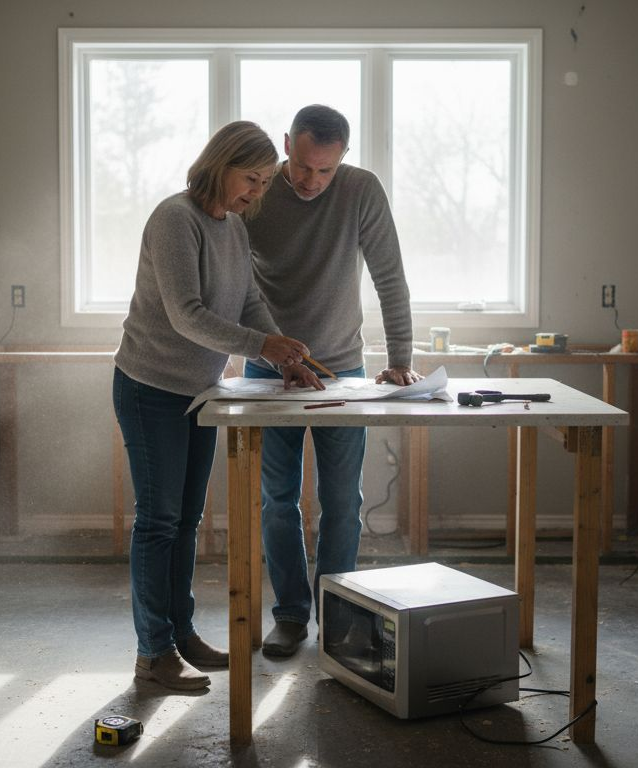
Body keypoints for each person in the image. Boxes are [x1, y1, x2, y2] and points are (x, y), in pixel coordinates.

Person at [113, 121, 321, 690]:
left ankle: (180, 636)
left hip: (197, 392)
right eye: (251, 178)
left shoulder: (230, 227)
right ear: (220, 164)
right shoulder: (174, 219)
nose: (258, 191)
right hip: (149, 386)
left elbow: (249, 301)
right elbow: (186, 315)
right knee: (158, 522)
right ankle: (153, 653)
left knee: (186, 521)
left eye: (265, 181)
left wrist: (282, 355)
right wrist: (263, 346)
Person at [244, 104, 422, 657]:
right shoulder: (258, 192)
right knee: (277, 500)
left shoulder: (361, 190)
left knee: (343, 500)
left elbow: (389, 275)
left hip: (341, 367)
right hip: (269, 369)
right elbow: (236, 286)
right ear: (286, 146)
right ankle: (290, 614)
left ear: (343, 157)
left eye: (325, 169)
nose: (311, 181)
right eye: (302, 166)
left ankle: (338, 616)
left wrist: (400, 357)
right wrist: (275, 353)